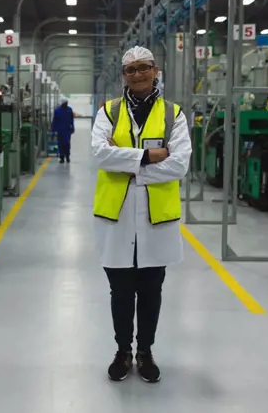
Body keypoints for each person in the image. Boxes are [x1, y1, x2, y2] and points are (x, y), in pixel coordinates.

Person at [91, 46, 192, 383]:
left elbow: (179, 164)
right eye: (130, 69)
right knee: (120, 292)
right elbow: (99, 154)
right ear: (124, 75)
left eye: (143, 68)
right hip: (116, 218)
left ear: (155, 70)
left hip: (156, 219)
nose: (137, 74)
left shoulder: (173, 114)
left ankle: (145, 351)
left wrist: (131, 167)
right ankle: (122, 351)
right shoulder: (108, 111)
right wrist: (149, 158)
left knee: (151, 291)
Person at [52, 97, 75, 163]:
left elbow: (72, 120)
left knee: (67, 144)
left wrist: (72, 128)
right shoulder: (57, 110)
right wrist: (53, 131)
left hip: (67, 130)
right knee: (60, 144)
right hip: (60, 130)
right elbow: (55, 121)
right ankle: (62, 157)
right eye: (65, 102)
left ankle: (67, 156)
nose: (67, 103)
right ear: (62, 103)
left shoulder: (69, 110)